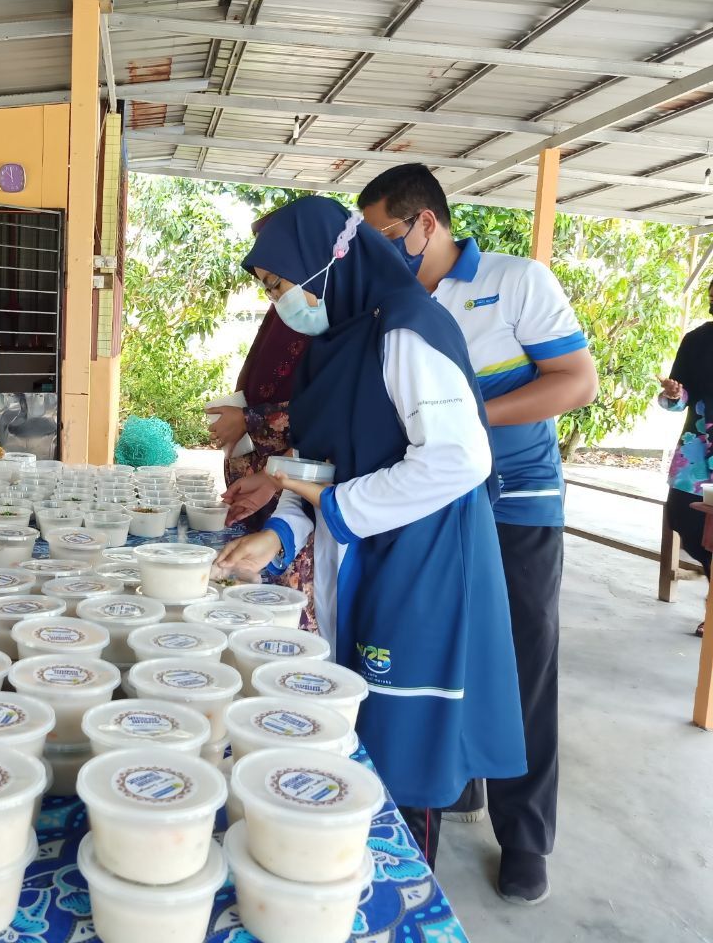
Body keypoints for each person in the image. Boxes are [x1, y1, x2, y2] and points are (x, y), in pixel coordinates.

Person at [215, 195, 526, 872]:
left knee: (402, 740)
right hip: (365, 548)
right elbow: (319, 466)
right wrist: (280, 535)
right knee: (357, 723)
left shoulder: (408, 331)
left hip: (420, 560)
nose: (279, 304)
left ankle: (403, 884)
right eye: (269, 291)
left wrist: (336, 505)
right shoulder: (334, 347)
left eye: (280, 285)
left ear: (329, 263)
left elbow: (459, 458)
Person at [358, 163, 598, 905]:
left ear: (425, 222)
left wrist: (464, 424)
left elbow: (575, 381)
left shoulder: (515, 281)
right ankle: (457, 780)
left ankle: (525, 837)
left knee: (523, 666)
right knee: (442, 649)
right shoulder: (389, 299)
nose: (375, 253)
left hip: (514, 503)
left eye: (384, 236)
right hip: (435, 505)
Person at [209, 211, 316, 625]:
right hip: (278, 480)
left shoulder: (329, 317)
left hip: (305, 489)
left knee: (283, 605)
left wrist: (251, 421)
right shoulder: (286, 309)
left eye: (276, 280)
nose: (272, 291)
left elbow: (324, 415)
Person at [658, 278, 713, 636]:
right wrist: (675, 393)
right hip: (698, 455)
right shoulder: (697, 340)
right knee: (683, 517)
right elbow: (677, 398)